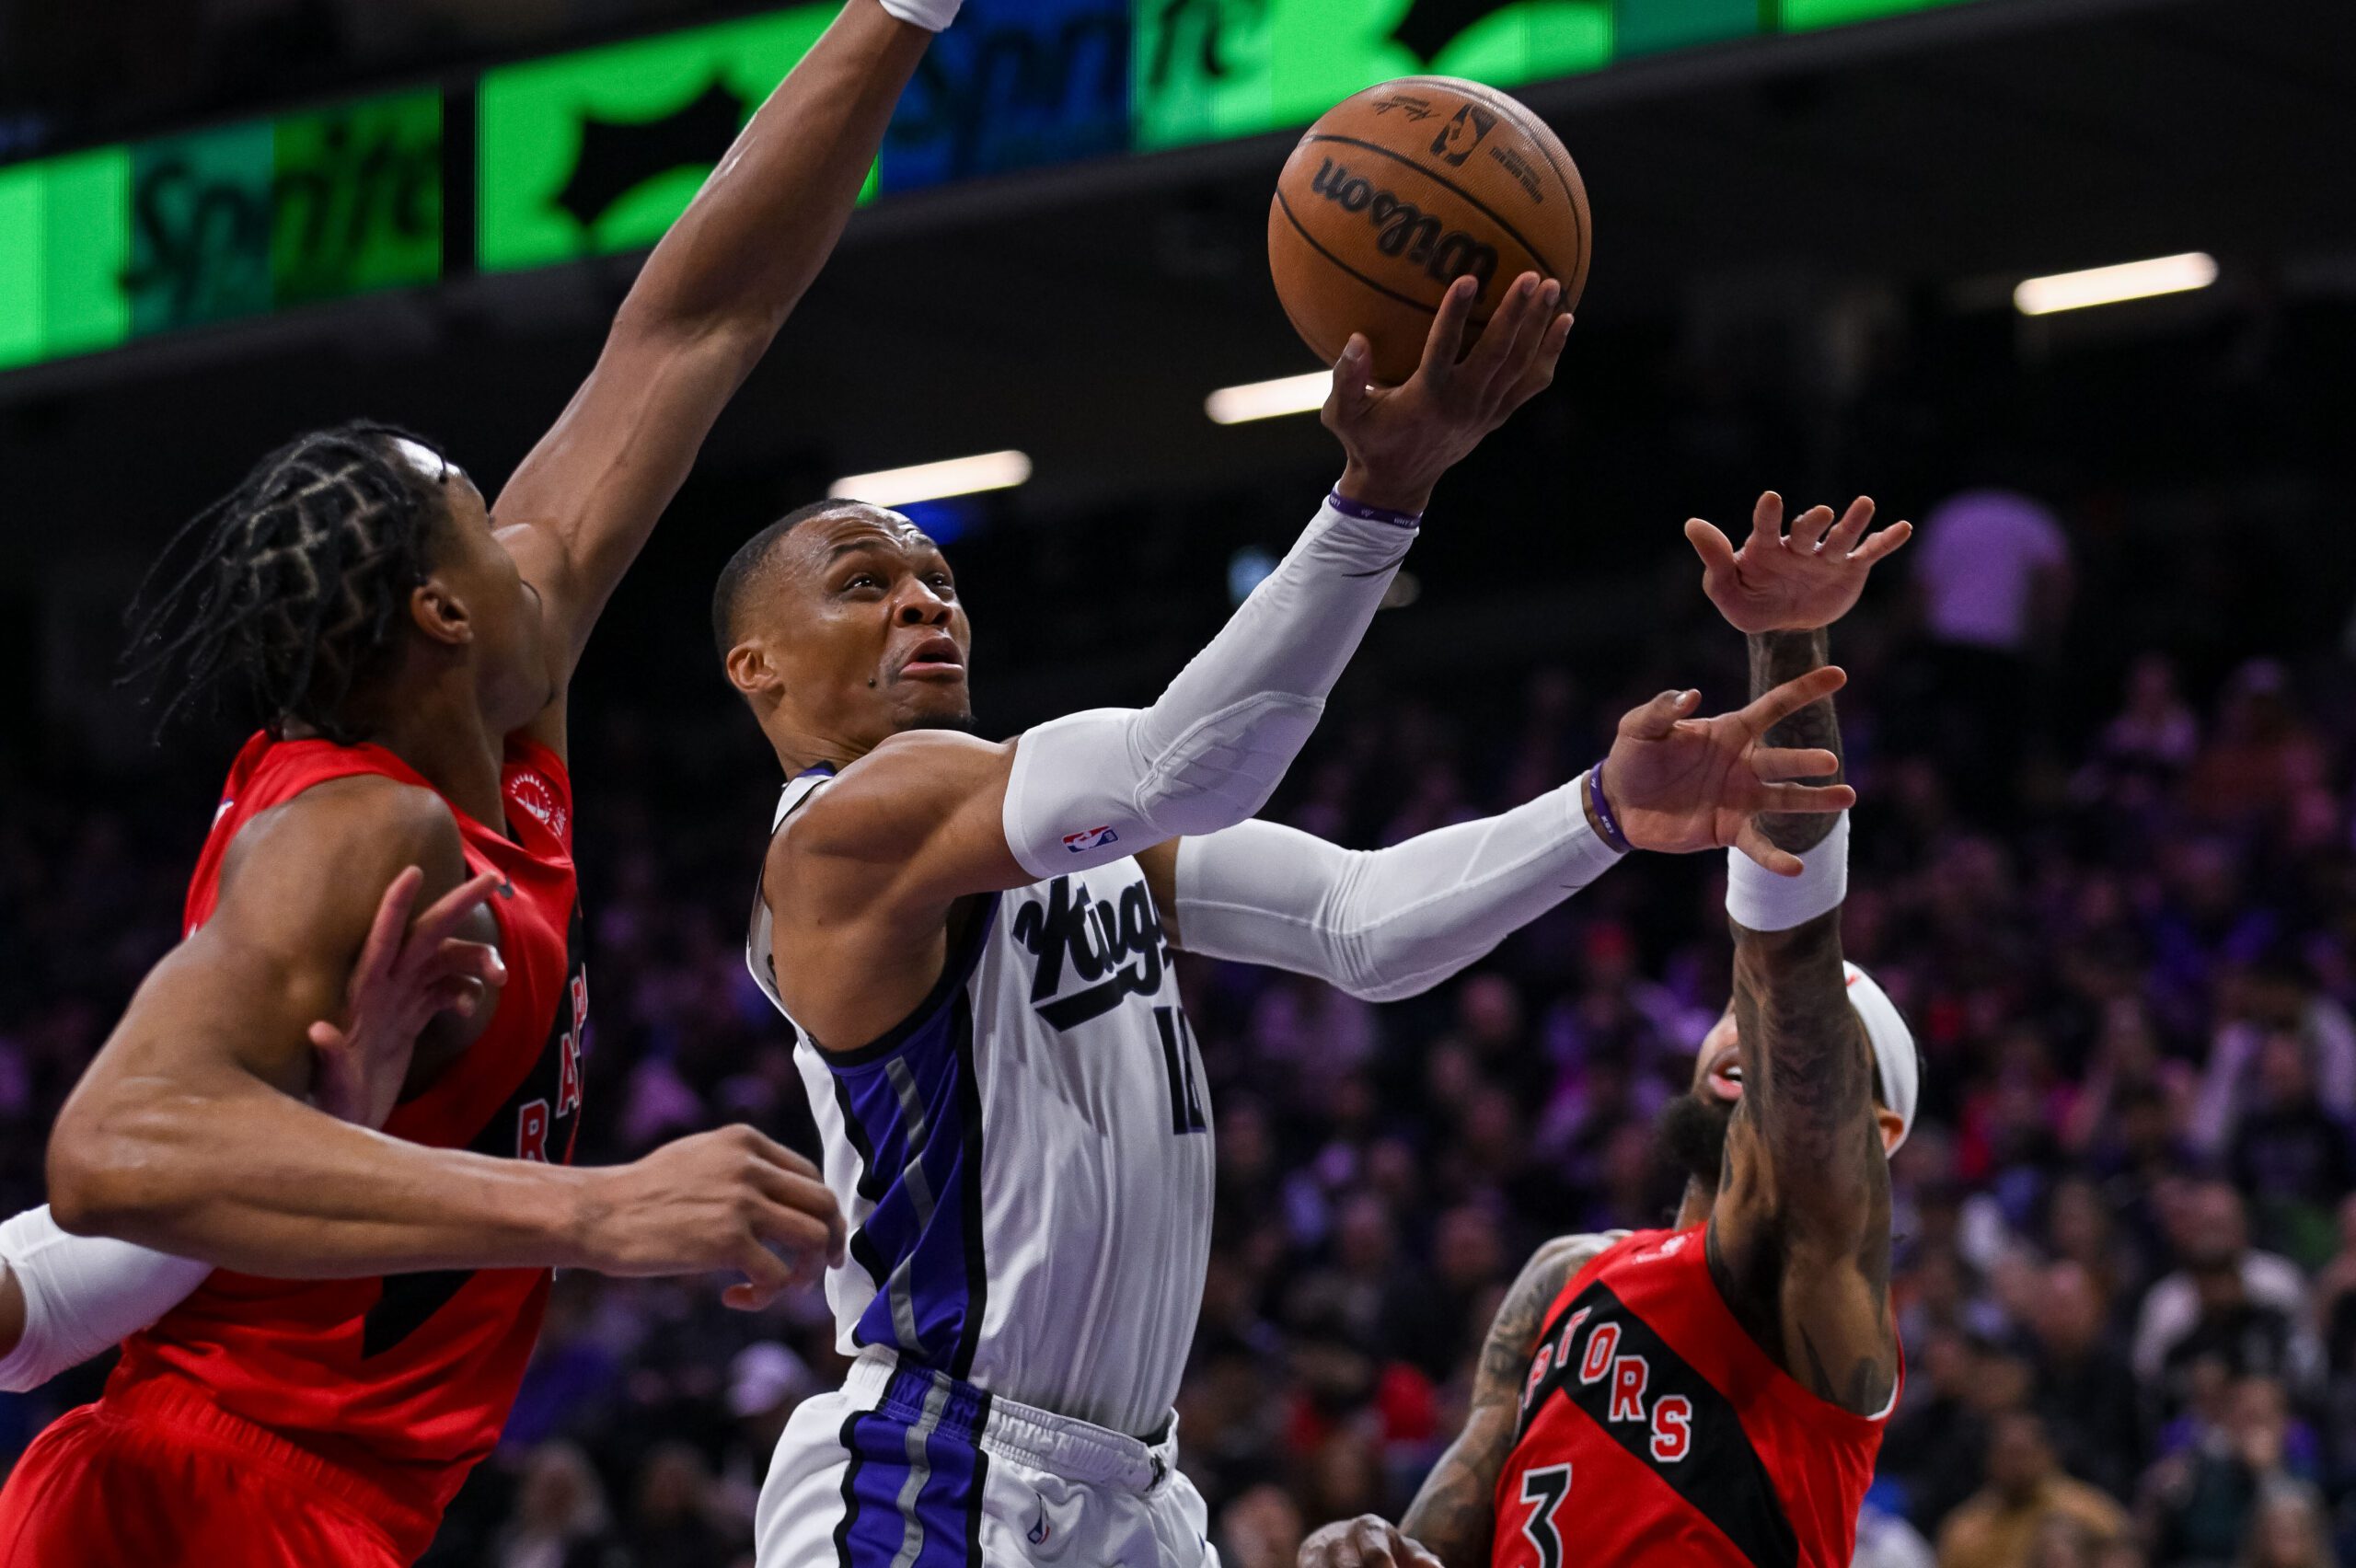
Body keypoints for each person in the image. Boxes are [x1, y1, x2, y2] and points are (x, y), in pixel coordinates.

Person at [0, 3, 956, 1562]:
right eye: (478, 523)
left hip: (327, 1490)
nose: (528, 541)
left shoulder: (500, 707)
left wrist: (902, 16)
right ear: (444, 613)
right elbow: (113, 1148)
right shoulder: (354, 824)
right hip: (202, 1493)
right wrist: (598, 1209)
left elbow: (693, 324)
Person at [719, 282, 1871, 1565]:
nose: (924, 602)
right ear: (756, 667)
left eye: (936, 579)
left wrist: (1601, 810)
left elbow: (1360, 925)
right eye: (865, 583)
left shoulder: (1069, 841)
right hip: (932, 1472)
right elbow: (1182, 764)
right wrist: (1380, 495)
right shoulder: (837, 841)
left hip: (1133, 1491)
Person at [1300, 491, 1919, 1566]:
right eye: (1728, 1019)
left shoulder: (1814, 1282)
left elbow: (1788, 968)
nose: (1744, 1036)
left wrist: (1785, 640)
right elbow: (1443, 1535)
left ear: (1878, 1129)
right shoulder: (1561, 1275)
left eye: (1827, 1044)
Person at [1934, 1410, 2127, 1568]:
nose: (2015, 1465)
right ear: (1989, 1460)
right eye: (2006, 1455)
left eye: (2023, 1454)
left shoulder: (2090, 1513)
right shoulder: (1965, 1528)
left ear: (2048, 1454)